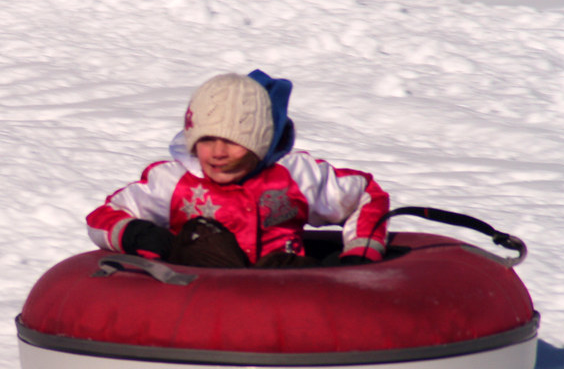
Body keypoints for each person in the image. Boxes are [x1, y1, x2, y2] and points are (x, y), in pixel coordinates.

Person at [86, 70, 390, 268]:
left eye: (234, 142)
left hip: (287, 295)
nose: (218, 153)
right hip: (198, 298)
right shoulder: (174, 181)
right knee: (203, 234)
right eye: (206, 140)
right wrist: (140, 235)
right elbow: (103, 217)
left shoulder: (295, 175)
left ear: (259, 142)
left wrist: (359, 255)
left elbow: (365, 194)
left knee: (282, 265)